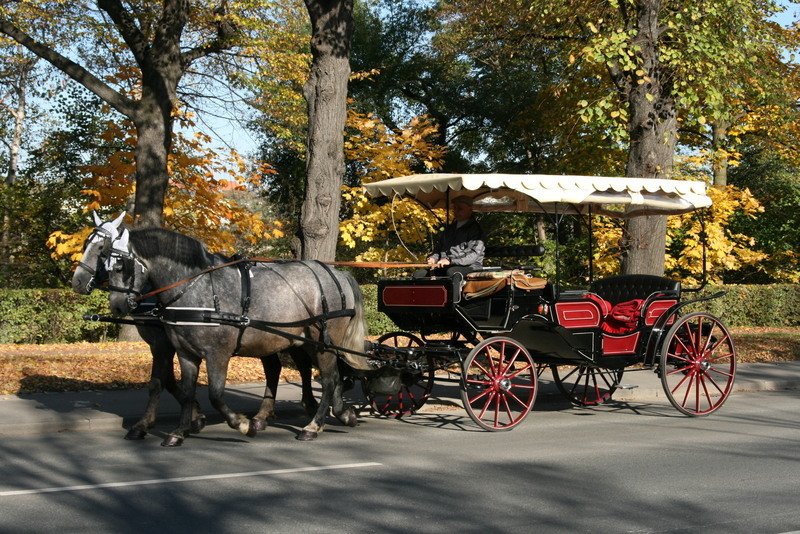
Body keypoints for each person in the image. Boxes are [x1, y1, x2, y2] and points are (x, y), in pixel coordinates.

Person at [415, 195, 486, 278]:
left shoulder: (476, 230)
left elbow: (473, 255)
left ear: (470, 209)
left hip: (471, 267)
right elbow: (438, 249)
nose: (456, 211)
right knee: (418, 275)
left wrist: (450, 261)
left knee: (451, 272)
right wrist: (433, 258)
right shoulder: (449, 229)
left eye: (460, 209)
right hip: (446, 266)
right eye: (455, 208)